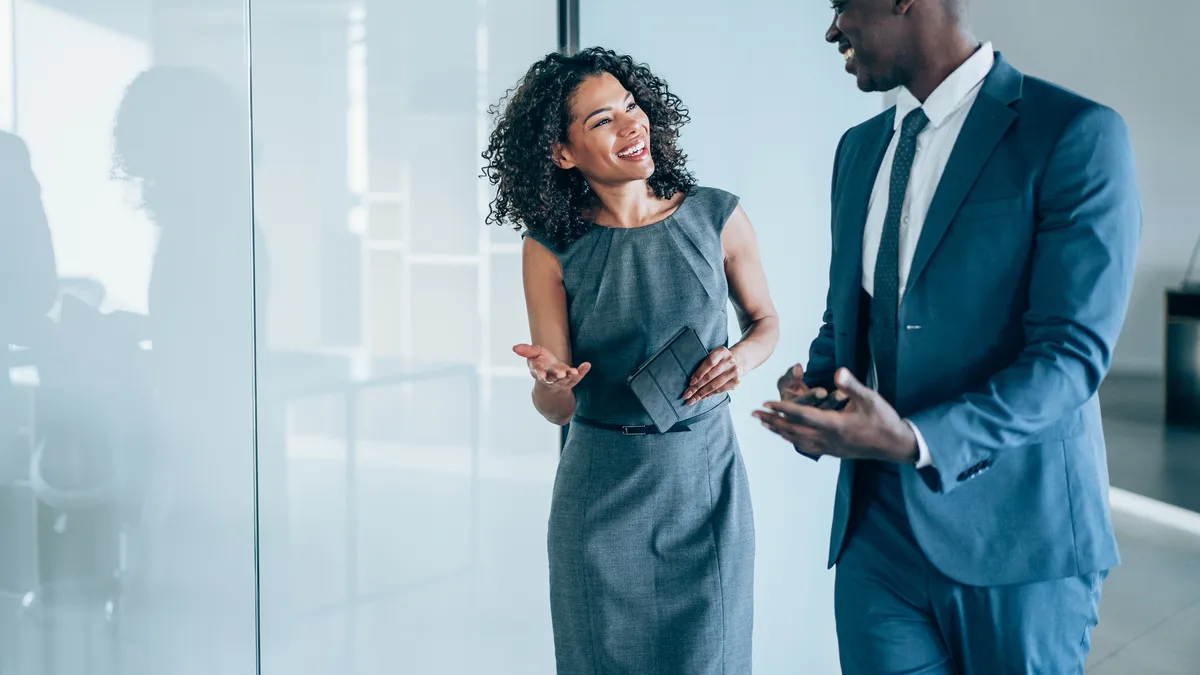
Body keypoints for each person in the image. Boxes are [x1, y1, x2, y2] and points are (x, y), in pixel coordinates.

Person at [753, 1, 1141, 673]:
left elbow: (1069, 359)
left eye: (842, 4)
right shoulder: (860, 150)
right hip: (876, 534)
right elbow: (851, 317)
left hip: (1019, 537)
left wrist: (915, 439)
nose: (832, 28)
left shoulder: (1073, 132)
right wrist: (818, 385)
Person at [483, 47, 779, 674]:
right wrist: (553, 383)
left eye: (632, 107)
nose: (632, 124)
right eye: (602, 121)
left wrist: (743, 359)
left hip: (704, 484)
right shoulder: (551, 248)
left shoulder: (716, 215)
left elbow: (766, 323)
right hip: (600, 494)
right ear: (562, 153)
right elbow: (554, 405)